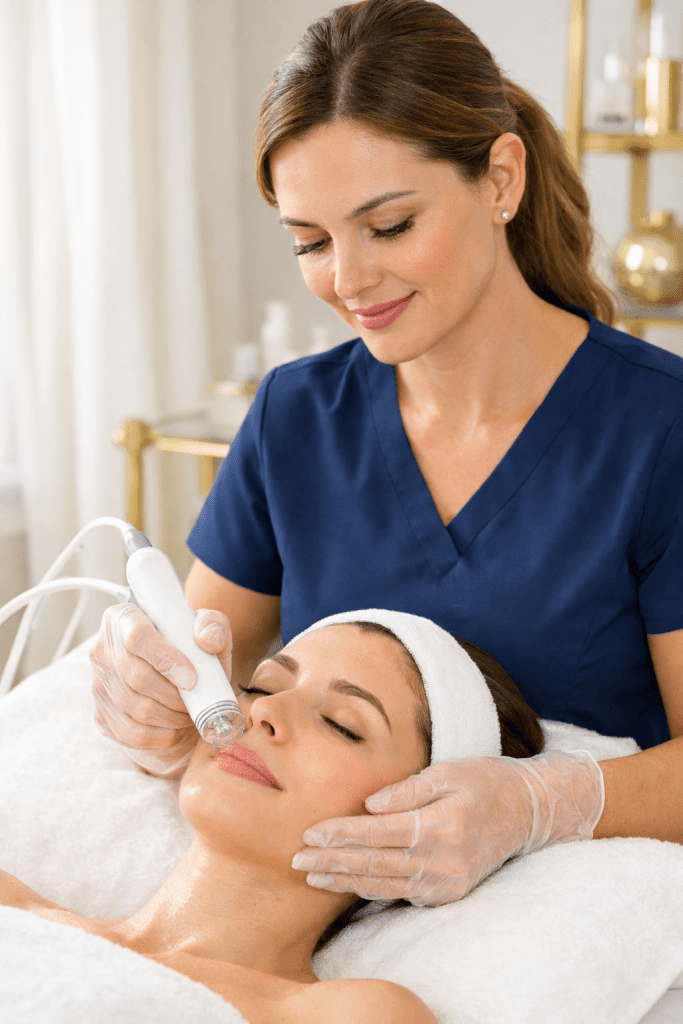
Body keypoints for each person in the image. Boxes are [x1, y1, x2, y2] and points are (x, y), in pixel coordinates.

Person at [90, 0, 683, 910]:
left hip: (564, 930)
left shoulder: (657, 428)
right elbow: (201, 670)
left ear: (500, 179)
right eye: (311, 243)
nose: (350, 280)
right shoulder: (296, 416)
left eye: (390, 225)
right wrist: (151, 692)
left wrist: (544, 803)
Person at [3, 612, 567, 1024]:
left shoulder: (352, 1016)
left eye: (341, 722)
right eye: (259, 686)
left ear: (423, 817)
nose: (263, 711)